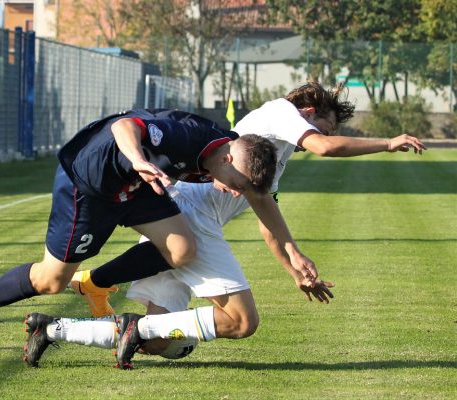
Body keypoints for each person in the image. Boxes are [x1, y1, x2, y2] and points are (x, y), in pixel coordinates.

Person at [21, 80, 427, 369]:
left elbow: (266, 216)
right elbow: (324, 147)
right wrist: (388, 142)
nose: (320, 134)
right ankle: (112, 300)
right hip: (194, 217)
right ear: (308, 112)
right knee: (241, 322)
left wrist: (294, 263)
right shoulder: (282, 114)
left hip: (188, 212)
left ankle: (52, 330)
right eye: (324, 124)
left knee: (156, 338)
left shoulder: (275, 152)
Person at [0, 108, 291, 348]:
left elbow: (261, 198)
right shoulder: (189, 138)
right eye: (237, 185)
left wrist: (292, 252)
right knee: (51, 281)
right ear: (228, 160)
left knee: (182, 250)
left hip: (135, 187)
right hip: (88, 188)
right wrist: (139, 160)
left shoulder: (223, 150)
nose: (235, 193)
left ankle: (97, 285)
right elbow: (124, 127)